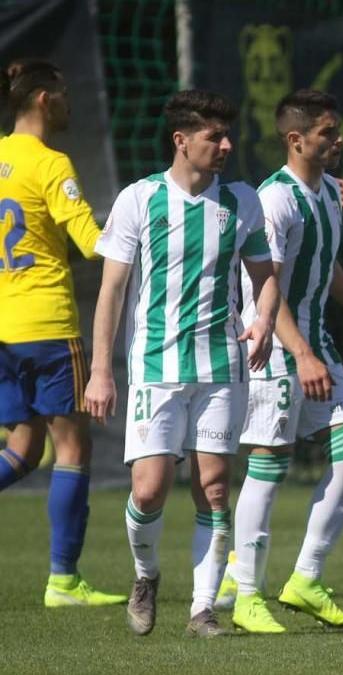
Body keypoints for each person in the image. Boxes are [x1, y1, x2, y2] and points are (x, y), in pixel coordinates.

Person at [85, 89, 281, 638]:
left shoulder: (243, 200)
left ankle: (202, 609)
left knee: (215, 488)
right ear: (181, 140)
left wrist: (263, 321)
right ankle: (146, 577)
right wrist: (103, 370)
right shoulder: (139, 200)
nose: (226, 145)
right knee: (148, 490)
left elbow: (267, 278)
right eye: (213, 137)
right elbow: (112, 292)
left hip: (222, 365)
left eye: (226, 136)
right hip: (155, 364)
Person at [214, 89, 343, 633]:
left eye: (337, 131)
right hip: (276, 344)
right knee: (268, 462)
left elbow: (326, 266)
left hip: (317, 345)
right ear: (296, 139)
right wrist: (302, 353)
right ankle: (246, 595)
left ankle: (305, 579)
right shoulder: (276, 199)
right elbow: (268, 287)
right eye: (327, 133)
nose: (338, 141)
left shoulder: (328, 195)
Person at [0, 58, 125, 607]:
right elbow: (91, 241)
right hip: (48, 325)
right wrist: (139, 235)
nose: (71, 103)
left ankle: (64, 578)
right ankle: (64, 580)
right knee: (73, 449)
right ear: (45, 100)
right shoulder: (52, 164)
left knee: (23, 449)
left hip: (3, 329)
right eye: (66, 93)